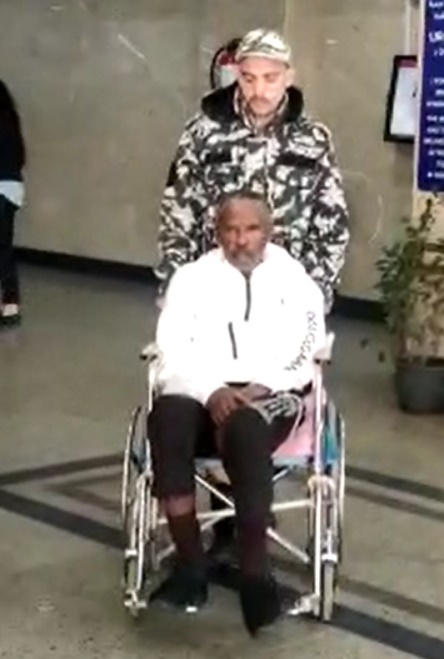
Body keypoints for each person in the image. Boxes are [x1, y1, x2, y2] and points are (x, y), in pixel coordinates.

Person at [154, 27, 349, 552]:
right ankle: (221, 514)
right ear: (234, 75)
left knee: (264, 409)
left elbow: (332, 224)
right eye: (248, 77)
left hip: (284, 300)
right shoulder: (203, 133)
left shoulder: (313, 139)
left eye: (270, 77)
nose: (260, 89)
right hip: (213, 296)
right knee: (203, 401)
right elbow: (177, 218)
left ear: (288, 77)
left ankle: (251, 513)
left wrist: (312, 300)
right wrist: (177, 293)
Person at [148, 193, 326, 635]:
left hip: (273, 392)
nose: (239, 239)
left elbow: (307, 347)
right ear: (217, 232)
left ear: (269, 232)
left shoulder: (295, 281)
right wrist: (212, 391)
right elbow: (172, 349)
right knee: (166, 418)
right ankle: (191, 565)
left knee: (246, 427)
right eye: (230, 229)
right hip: (202, 389)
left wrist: (259, 386)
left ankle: (254, 574)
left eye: (250, 229)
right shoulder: (191, 279)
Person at [0, 79, 25, 327]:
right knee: (3, 247)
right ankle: (10, 302)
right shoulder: (11, 123)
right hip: (12, 189)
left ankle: (10, 303)